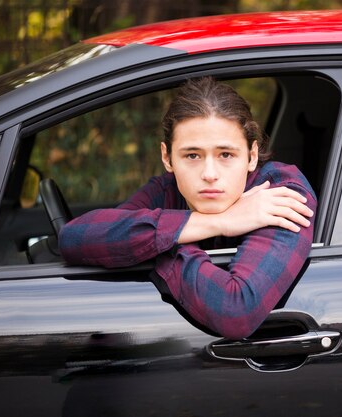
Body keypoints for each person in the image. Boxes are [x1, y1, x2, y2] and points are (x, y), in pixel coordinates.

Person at [59, 77, 317, 340]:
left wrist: (157, 244)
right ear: (167, 157)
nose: (209, 174)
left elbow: (236, 311)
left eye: (226, 155)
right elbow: (74, 237)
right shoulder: (168, 188)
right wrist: (217, 222)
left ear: (251, 156)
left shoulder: (281, 194)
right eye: (192, 156)